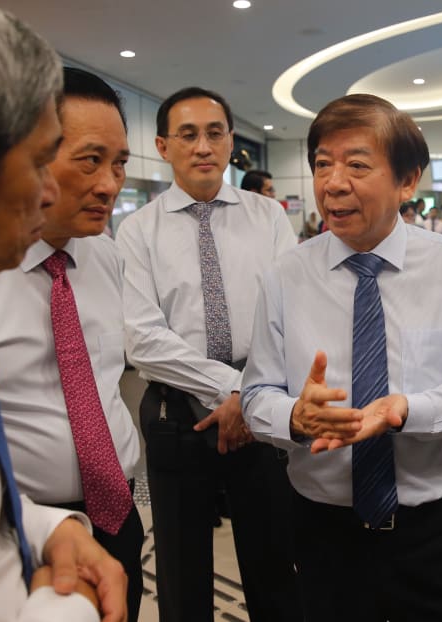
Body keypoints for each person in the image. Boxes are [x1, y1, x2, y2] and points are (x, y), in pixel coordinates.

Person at [241, 93, 442, 622]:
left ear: (408, 182)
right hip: (320, 527)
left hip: (427, 528)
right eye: (322, 164)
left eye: (357, 165)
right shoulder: (286, 275)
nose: (333, 183)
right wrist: (292, 416)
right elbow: (254, 395)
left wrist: (404, 409)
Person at [0, 1, 128, 620]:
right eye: (39, 161)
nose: (48, 192)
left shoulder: (106, 258)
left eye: (120, 165)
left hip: (93, 512)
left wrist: (51, 527)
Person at [115, 86, 301, 622]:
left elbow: (289, 313)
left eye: (215, 133)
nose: (203, 146)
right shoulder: (137, 231)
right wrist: (230, 388)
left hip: (262, 407)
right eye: (188, 134)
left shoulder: (267, 217)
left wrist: (250, 392)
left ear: (229, 143)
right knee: (180, 570)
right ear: (163, 145)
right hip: (177, 415)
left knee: (273, 564)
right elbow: (144, 339)